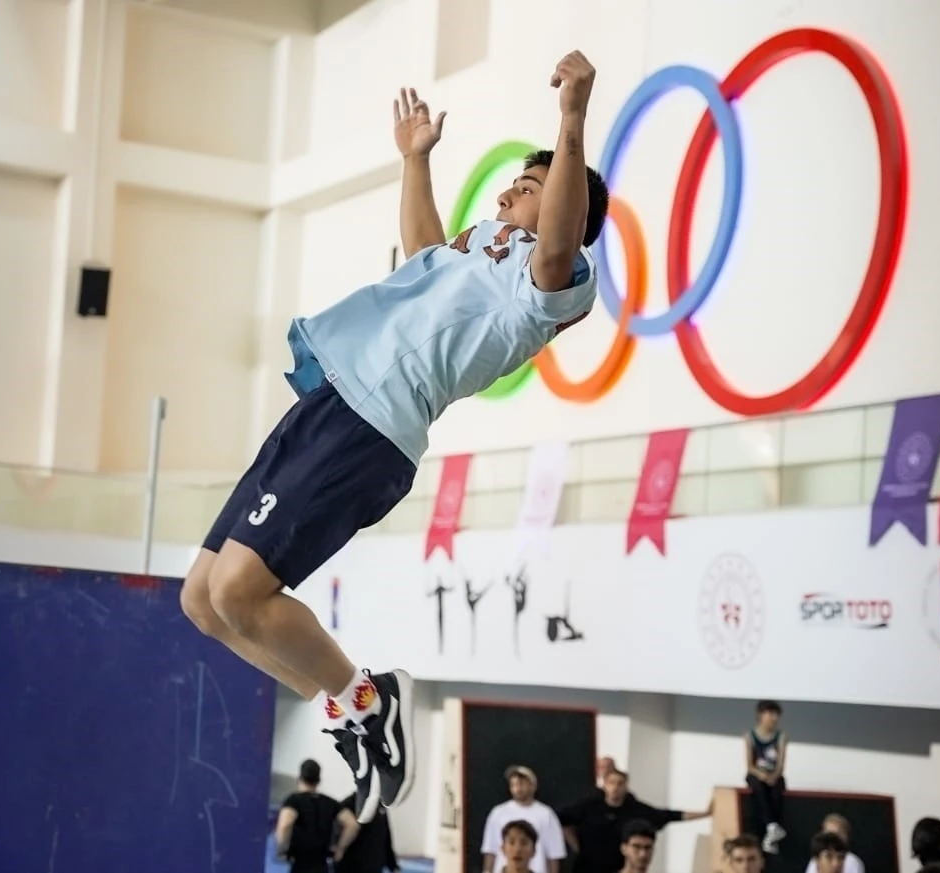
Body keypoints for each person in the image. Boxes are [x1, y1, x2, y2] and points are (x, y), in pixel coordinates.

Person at [178, 49, 609, 826]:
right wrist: (416, 163)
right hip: (328, 400)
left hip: (373, 427)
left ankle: (368, 700)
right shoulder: (481, 245)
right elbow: (420, 260)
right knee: (204, 601)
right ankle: (351, 710)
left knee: (243, 589)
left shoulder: (550, 285)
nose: (516, 185)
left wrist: (572, 119)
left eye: (535, 185)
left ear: (565, 212)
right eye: (521, 176)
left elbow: (555, 238)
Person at [560, 767, 712, 873]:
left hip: (618, 867)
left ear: (626, 786)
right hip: (588, 867)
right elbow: (561, 819)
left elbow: (669, 815)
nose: (615, 787)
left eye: (620, 783)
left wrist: (705, 814)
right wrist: (576, 845)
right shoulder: (589, 806)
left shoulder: (636, 809)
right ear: (604, 785)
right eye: (611, 783)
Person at [276, 760, 360, 873]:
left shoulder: (293, 801)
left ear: (299, 778)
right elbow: (352, 824)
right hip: (321, 864)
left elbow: (285, 825)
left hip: (300, 863)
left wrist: (282, 849)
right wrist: (340, 848)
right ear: (318, 780)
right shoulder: (330, 802)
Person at [482, 766, 567, 873]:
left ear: (533, 786)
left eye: (521, 784)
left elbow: (554, 854)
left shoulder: (547, 815)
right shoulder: (498, 813)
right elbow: (490, 849)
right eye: (514, 784)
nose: (518, 788)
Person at [744, 700, 787, 853]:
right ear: (761, 715)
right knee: (758, 787)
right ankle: (772, 827)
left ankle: (772, 835)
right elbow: (750, 765)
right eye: (771, 714)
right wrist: (761, 774)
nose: (774, 718)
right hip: (756, 774)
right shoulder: (750, 736)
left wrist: (773, 776)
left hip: (774, 776)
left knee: (777, 790)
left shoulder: (781, 736)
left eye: (776, 715)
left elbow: (781, 765)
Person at [335, 792, 399, 873]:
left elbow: (385, 836)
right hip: (353, 863)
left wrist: (392, 864)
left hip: (374, 864)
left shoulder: (379, 805)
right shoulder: (348, 804)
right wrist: (340, 849)